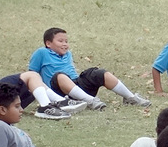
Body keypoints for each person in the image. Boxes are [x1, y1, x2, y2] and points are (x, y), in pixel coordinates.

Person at [23, 26, 151, 111]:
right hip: (58, 91)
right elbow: (32, 75)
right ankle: (90, 101)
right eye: (60, 41)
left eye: (66, 41)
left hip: (76, 85)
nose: (65, 44)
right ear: (48, 43)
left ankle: (130, 97)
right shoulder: (41, 53)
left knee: (99, 73)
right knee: (60, 76)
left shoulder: (68, 54)